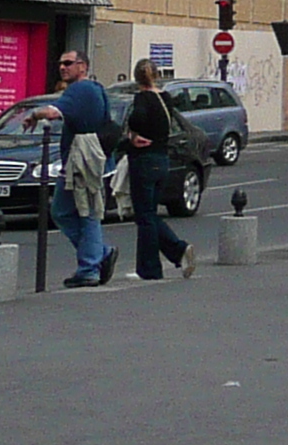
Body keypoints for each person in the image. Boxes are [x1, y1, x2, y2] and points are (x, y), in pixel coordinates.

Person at [38, 48, 116, 287]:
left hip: (82, 162)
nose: (63, 67)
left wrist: (34, 114)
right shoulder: (97, 88)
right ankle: (97, 255)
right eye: (61, 63)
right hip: (90, 161)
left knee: (85, 213)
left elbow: (52, 112)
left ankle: (91, 265)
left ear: (82, 66)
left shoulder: (79, 89)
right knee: (67, 211)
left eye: (69, 63)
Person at [118, 61, 194, 281]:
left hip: (144, 160)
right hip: (162, 159)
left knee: (144, 216)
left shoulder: (142, 98)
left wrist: (132, 135)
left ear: (136, 78)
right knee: (149, 214)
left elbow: (137, 118)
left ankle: (151, 268)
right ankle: (177, 251)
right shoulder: (165, 98)